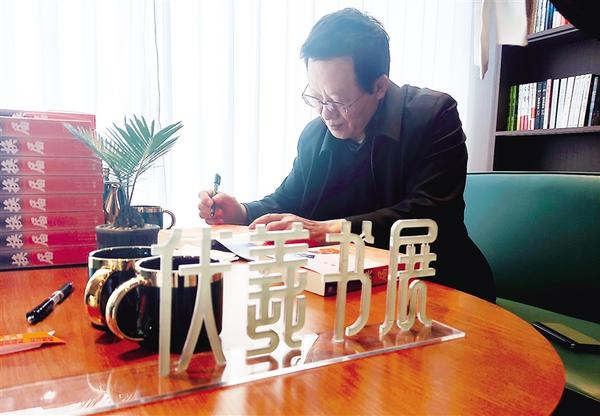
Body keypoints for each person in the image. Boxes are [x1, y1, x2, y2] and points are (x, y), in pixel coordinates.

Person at [198, 8, 496, 302]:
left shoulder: (433, 116)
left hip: (437, 287)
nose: (326, 113)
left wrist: (330, 230)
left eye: (338, 101)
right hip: (354, 290)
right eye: (316, 98)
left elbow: (429, 214)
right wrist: (242, 212)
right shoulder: (316, 135)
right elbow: (289, 200)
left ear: (379, 86)